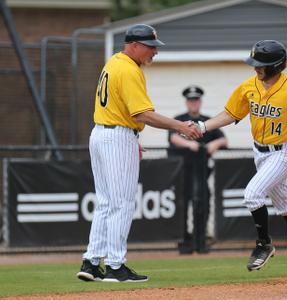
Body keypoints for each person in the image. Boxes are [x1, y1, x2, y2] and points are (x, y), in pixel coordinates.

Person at [76, 24, 202, 283]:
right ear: (133, 45)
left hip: (102, 133)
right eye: (150, 46)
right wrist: (180, 127)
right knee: (122, 203)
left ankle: (91, 262)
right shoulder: (129, 69)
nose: (154, 51)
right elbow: (141, 113)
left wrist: (131, 138)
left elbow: (121, 109)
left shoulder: (114, 62)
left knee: (106, 202)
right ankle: (115, 266)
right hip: (116, 136)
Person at [193, 40, 287, 278]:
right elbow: (230, 114)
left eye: (260, 64)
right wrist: (202, 126)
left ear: (276, 66)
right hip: (260, 151)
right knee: (285, 204)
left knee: (252, 194)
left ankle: (264, 244)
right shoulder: (249, 86)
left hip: (286, 150)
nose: (255, 68)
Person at [168, 85, 228, 253]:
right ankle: (184, 241)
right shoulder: (179, 120)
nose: (193, 103)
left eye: (196, 100)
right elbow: (173, 138)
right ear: (186, 102)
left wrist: (212, 145)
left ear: (200, 102)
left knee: (202, 204)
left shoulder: (206, 122)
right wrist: (190, 144)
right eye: (190, 100)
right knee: (182, 207)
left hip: (201, 173)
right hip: (182, 173)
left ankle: (200, 240)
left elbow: (223, 140)